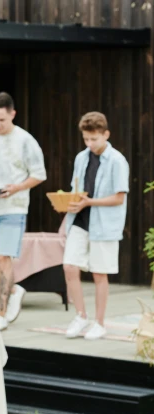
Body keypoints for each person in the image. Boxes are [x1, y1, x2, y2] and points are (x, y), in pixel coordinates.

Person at [0, 92, 47, 331]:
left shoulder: (25, 140)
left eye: (1, 119)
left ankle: (1, 313)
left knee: (4, 258)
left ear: (12, 114)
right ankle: (14, 289)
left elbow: (39, 175)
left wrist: (17, 187)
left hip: (13, 207)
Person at [60, 112, 128, 340]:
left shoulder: (117, 160)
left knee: (100, 273)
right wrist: (65, 214)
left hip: (104, 224)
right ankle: (81, 316)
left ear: (105, 134)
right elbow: (75, 190)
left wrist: (89, 202)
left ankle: (99, 322)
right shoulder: (81, 157)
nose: (89, 144)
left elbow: (119, 197)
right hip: (78, 220)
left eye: (94, 139)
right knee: (70, 266)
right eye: (86, 139)